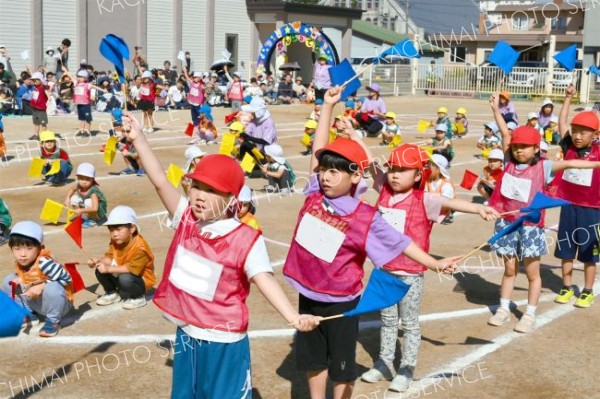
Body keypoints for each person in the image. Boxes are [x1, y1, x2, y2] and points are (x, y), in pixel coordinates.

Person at [120, 111, 320, 397]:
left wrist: (293, 317)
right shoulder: (186, 218)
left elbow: (264, 280)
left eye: (211, 191)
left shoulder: (245, 238)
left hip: (224, 340)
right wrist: (138, 138)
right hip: (188, 334)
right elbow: (161, 182)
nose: (199, 195)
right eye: (196, 187)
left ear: (232, 200)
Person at [283, 86, 457, 399]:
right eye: (324, 170)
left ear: (355, 178)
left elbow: (402, 242)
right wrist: (327, 107)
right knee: (313, 361)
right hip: (308, 293)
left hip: (341, 300)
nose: (325, 176)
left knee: (343, 368)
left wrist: (434, 263)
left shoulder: (365, 216)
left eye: (335, 171)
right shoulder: (314, 193)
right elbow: (317, 148)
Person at [361, 144, 498, 392]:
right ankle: (383, 363)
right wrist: (354, 135)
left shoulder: (424, 199)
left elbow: (452, 202)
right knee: (387, 320)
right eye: (392, 168)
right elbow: (371, 163)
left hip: (410, 273)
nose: (394, 174)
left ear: (417, 175)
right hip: (383, 270)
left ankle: (406, 369)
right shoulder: (383, 190)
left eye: (403, 170)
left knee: (410, 323)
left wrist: (479, 207)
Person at [487, 92, 600, 333]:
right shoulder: (508, 161)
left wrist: (597, 164)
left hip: (530, 228)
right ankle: (504, 308)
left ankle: (529, 313)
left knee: (532, 272)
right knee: (508, 270)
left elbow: (572, 164)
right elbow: (505, 133)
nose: (518, 150)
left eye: (524, 147)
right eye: (516, 147)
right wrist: (496, 109)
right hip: (507, 224)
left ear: (536, 148)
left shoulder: (544, 166)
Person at [553, 84, 600, 308]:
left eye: (584, 132)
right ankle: (566, 285)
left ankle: (588, 290)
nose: (578, 135)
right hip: (568, 206)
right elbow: (562, 123)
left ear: (596, 134)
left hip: (593, 210)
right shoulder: (569, 146)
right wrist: (568, 99)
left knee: (591, 252)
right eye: (576, 131)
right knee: (566, 249)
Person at [2, 221, 74, 337]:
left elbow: (67, 278)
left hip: (59, 304)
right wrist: (22, 279)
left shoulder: (44, 262)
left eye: (29, 248)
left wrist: (42, 285)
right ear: (11, 249)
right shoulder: (23, 262)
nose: (23, 254)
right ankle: (28, 315)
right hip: (36, 302)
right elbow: (31, 276)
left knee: (52, 287)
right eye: (17, 248)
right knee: (9, 281)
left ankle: (53, 321)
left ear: (40, 248)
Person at [87, 206, 155, 310]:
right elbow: (110, 257)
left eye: (119, 229)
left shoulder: (141, 248)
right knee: (100, 269)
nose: (114, 234)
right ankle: (112, 292)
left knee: (125, 278)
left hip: (140, 280)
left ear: (132, 229)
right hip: (122, 272)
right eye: (111, 230)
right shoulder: (116, 241)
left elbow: (130, 269)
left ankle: (138, 297)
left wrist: (109, 269)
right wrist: (99, 261)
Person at [64, 163, 108, 228]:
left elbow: (95, 208)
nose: (84, 182)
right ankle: (80, 217)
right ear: (78, 178)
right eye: (81, 178)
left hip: (99, 211)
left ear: (92, 180)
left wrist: (81, 210)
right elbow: (72, 190)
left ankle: (92, 220)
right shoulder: (79, 186)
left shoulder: (93, 191)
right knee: (74, 198)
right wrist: (68, 198)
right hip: (87, 206)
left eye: (87, 179)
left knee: (88, 201)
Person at [239, 97, 277, 164]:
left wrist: (248, 138)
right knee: (244, 145)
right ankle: (247, 165)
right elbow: (248, 133)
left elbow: (265, 141)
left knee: (246, 144)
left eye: (253, 112)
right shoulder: (254, 120)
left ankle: (257, 167)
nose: (251, 113)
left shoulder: (269, 122)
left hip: (267, 153)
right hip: (257, 149)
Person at [424, 154, 455, 224]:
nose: (427, 168)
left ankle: (448, 215)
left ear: (439, 169)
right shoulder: (427, 181)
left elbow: (446, 203)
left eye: (430, 166)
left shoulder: (446, 184)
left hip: (442, 214)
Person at [29, 72, 50, 141]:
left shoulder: (43, 87)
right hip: (35, 107)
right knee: (36, 122)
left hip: (41, 108)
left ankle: (43, 135)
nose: (34, 83)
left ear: (40, 80)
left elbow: (47, 93)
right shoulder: (35, 87)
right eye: (33, 81)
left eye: (36, 81)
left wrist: (49, 98)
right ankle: (36, 134)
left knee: (43, 123)